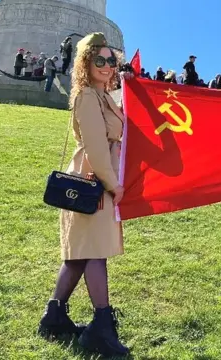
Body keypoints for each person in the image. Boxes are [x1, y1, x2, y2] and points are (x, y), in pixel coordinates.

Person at [37, 32, 131, 358]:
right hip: (92, 180)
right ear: (86, 63)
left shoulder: (106, 95)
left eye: (111, 61)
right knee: (95, 252)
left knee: (79, 255)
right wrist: (112, 183)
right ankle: (102, 328)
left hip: (99, 178)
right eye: (100, 60)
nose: (107, 66)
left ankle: (54, 317)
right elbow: (94, 145)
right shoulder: (88, 97)